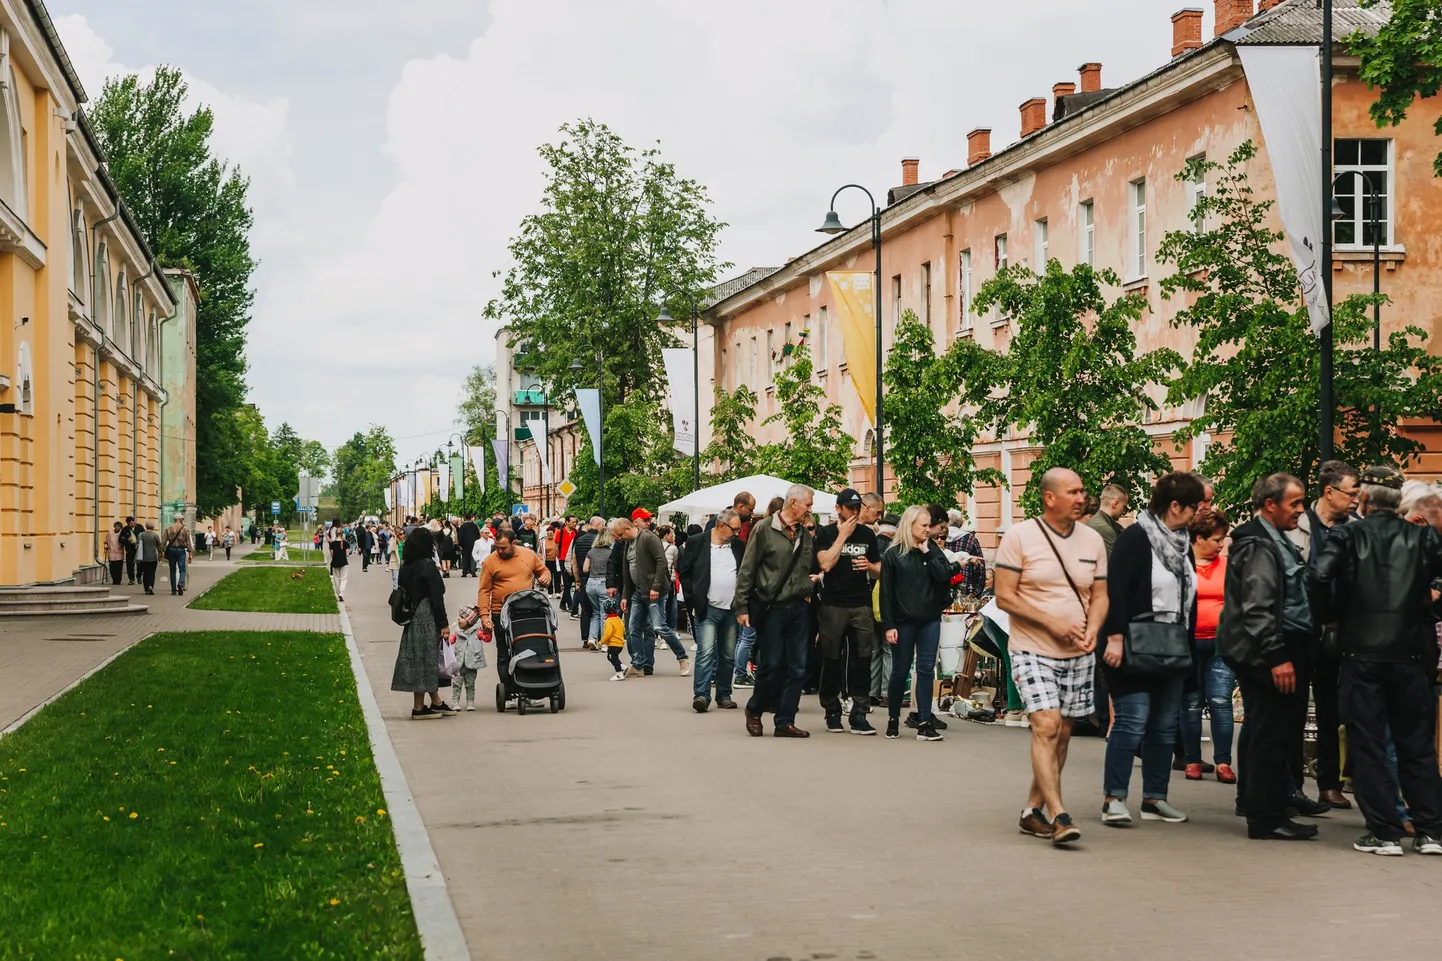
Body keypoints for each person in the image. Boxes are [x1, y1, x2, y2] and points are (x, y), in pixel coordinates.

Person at [1313, 465, 1442, 856]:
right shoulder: (1422, 539)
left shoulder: (1347, 534)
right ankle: (1431, 831)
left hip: (1361, 651)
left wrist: (1332, 614)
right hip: (1409, 652)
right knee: (1416, 744)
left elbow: (1319, 577)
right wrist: (1424, 607)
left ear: (1364, 500)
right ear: (1398, 502)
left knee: (1368, 743)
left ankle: (1385, 831)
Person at [994, 467, 1108, 846]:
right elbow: (1004, 596)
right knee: (1045, 725)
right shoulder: (1019, 537)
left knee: (1062, 734)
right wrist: (1052, 623)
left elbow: (1101, 595)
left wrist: (1093, 628)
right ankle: (1059, 815)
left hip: (1079, 651)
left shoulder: (1092, 540)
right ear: (1049, 498)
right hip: (1031, 648)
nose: (1081, 498)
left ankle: (1032, 811)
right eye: (1073, 492)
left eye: (1082, 491)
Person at [1217, 473, 1321, 842]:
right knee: (1270, 734)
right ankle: (1265, 818)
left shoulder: (1272, 539)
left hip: (1270, 649)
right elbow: (1258, 607)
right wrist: (1277, 657)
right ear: (1270, 505)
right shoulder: (1260, 544)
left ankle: (1272, 810)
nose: (1300, 509)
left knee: (1274, 732)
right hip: (1264, 653)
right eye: (1294, 503)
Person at [1099, 473, 1204, 826]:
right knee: (1131, 722)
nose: (1197, 514)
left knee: (1163, 725)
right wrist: (1114, 637)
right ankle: (1114, 798)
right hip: (1131, 643)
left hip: (1172, 644)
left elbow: (1187, 598)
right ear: (1175, 506)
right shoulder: (1135, 538)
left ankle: (1155, 799)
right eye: (1194, 507)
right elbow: (1115, 591)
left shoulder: (1182, 542)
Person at [1283, 459, 1360, 811]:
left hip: (1339, 627)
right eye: (1351, 492)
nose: (1357, 499)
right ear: (1329, 492)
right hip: (1300, 626)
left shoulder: (1356, 527)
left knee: (1333, 709)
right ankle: (1292, 785)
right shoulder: (1297, 524)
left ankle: (1330, 783)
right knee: (1294, 707)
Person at [737, 484, 817, 738]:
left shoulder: (804, 534)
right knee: (770, 664)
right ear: (793, 503)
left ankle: (785, 721)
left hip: (798, 607)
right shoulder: (764, 528)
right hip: (772, 607)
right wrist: (741, 605)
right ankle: (755, 709)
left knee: (798, 667)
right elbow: (747, 568)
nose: (810, 509)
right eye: (808, 504)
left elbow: (805, 566)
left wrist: (806, 589)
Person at [879, 505, 962, 742]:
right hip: (903, 622)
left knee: (926, 670)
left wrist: (927, 552)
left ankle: (924, 721)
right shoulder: (893, 554)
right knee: (900, 671)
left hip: (929, 619)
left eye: (929, 525)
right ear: (910, 525)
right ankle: (893, 718)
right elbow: (886, 593)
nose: (928, 530)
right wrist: (889, 624)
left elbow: (943, 575)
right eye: (923, 526)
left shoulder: (932, 549)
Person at [812, 489, 882, 735]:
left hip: (860, 604)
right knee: (831, 658)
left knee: (862, 658)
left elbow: (879, 569)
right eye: (849, 507)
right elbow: (825, 564)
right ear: (839, 508)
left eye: (857, 507)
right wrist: (842, 537)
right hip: (833, 604)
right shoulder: (827, 533)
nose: (854, 511)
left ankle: (859, 712)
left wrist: (871, 566)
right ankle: (832, 710)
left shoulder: (868, 535)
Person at [1179, 508, 1237, 784]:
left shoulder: (1227, 566)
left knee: (1220, 702)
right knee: (1190, 703)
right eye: (1216, 539)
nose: (1221, 544)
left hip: (1220, 645)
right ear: (1198, 538)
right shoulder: (1181, 564)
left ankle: (1224, 762)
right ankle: (1191, 760)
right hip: (1188, 645)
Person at [678, 507, 746, 712]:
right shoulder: (698, 542)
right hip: (707, 607)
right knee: (706, 653)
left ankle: (724, 694)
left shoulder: (738, 546)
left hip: (732, 608)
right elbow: (685, 572)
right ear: (720, 525)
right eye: (734, 529)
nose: (737, 533)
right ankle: (701, 695)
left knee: (728, 655)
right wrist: (694, 598)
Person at [391, 526, 455, 719]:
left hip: (413, 614)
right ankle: (419, 708)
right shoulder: (427, 565)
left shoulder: (406, 565)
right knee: (427, 658)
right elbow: (437, 596)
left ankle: (434, 702)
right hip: (426, 614)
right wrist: (443, 623)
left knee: (419, 657)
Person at [616, 511, 690, 677]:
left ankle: (683, 657)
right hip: (637, 591)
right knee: (633, 628)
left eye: (621, 534)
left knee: (659, 626)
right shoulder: (628, 543)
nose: (620, 538)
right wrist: (625, 596)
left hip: (654, 591)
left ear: (628, 528)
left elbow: (661, 561)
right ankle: (638, 664)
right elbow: (627, 571)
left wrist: (655, 587)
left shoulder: (649, 538)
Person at [478, 527, 551, 691]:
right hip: (500, 612)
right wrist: (484, 616)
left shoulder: (528, 555)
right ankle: (509, 689)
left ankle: (531, 687)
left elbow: (543, 570)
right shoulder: (490, 561)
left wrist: (546, 577)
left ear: (513, 543)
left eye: (503, 547)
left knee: (529, 649)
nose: (499, 551)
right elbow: (484, 590)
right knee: (504, 653)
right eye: (497, 547)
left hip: (527, 612)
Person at [583, 523, 615, 650]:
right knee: (604, 614)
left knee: (595, 613)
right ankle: (604, 642)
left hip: (591, 583)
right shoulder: (610, 553)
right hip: (604, 583)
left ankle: (592, 638)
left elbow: (585, 569)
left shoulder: (591, 552)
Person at [571, 516, 602, 633]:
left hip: (583, 579)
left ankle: (585, 635)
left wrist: (577, 579)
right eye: (603, 526)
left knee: (585, 608)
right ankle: (596, 635)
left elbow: (574, 562)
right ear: (597, 526)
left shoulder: (579, 540)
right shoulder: (599, 541)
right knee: (598, 609)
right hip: (597, 578)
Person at [450, 615, 487, 712]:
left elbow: (487, 638)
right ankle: (455, 702)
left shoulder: (477, 632)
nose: (458, 619)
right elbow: (450, 641)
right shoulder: (457, 632)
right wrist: (446, 638)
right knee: (456, 684)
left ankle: (470, 702)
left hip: (472, 662)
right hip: (458, 663)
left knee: (470, 684)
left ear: (470, 621)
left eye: (462, 617)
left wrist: (488, 631)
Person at [1085, 484, 1128, 556]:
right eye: (1124, 507)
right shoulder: (1104, 529)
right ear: (1115, 504)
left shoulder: (1095, 522)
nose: (1124, 512)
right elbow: (1116, 563)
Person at [164, 517, 192, 595]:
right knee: (182, 569)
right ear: (181, 520)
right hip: (181, 551)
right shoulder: (185, 529)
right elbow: (188, 542)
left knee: (172, 570)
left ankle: (173, 590)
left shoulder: (168, 529)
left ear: (174, 520)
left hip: (171, 550)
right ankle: (180, 583)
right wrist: (190, 552)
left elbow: (164, 541)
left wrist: (161, 552)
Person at [601, 598, 627, 680]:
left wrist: (602, 641)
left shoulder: (609, 621)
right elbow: (623, 628)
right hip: (620, 643)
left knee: (613, 658)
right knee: (612, 657)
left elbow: (608, 633)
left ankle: (619, 673)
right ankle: (622, 666)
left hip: (613, 643)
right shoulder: (618, 619)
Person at [558, 515, 579, 612]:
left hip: (573, 559)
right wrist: (559, 558)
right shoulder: (560, 532)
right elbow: (556, 546)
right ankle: (571, 605)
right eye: (572, 522)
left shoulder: (576, 533)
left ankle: (563, 603)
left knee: (570, 582)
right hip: (563, 559)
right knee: (567, 583)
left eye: (575, 522)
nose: (574, 524)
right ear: (566, 522)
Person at [135, 522, 161, 595]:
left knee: (145, 573)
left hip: (143, 557)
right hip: (153, 557)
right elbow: (159, 546)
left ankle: (146, 589)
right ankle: (151, 586)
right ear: (153, 527)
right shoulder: (155, 535)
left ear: (146, 527)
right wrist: (160, 555)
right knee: (152, 573)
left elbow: (137, 545)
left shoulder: (141, 535)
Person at [327, 518, 349, 600]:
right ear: (343, 535)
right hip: (344, 562)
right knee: (343, 579)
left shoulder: (332, 544)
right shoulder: (346, 543)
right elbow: (347, 554)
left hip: (335, 562)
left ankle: (337, 592)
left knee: (336, 578)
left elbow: (332, 554)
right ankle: (341, 593)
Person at [457, 513, 481, 577]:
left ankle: (465, 571)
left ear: (465, 518)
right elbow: (478, 534)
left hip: (465, 544)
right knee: (473, 557)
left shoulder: (463, 526)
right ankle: (473, 571)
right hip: (473, 543)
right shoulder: (474, 525)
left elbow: (461, 535)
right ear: (471, 518)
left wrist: (460, 544)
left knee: (465, 557)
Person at [121, 516, 142, 584]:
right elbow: (120, 539)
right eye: (130, 524)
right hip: (130, 548)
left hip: (138, 547)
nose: (132, 525)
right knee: (130, 565)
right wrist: (127, 539)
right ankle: (131, 579)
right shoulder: (125, 529)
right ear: (127, 523)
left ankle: (139, 576)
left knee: (139, 563)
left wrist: (139, 543)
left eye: (132, 523)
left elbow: (144, 535)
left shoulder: (139, 527)